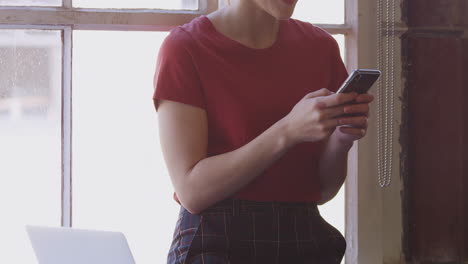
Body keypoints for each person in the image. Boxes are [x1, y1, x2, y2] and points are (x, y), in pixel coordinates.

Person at [153, 0, 374, 263]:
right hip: (216, 241)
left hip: (303, 236)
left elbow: (323, 191)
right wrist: (288, 130)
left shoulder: (320, 47)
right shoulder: (185, 47)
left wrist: (341, 139)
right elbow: (192, 192)